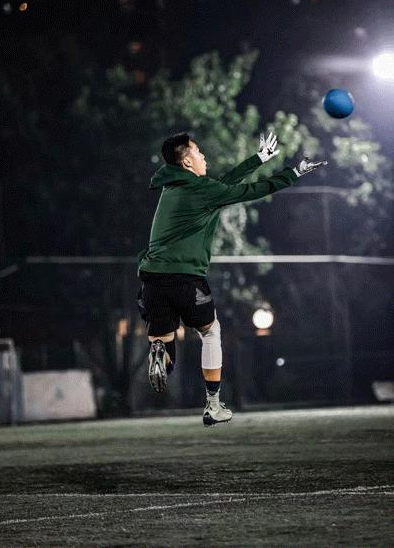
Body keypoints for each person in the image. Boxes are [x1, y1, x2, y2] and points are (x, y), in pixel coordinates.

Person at [136, 132, 327, 425]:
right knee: (210, 331)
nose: (203, 156)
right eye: (198, 152)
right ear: (187, 162)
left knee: (166, 355)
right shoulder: (202, 190)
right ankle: (213, 405)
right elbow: (251, 190)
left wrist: (258, 159)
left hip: (151, 280)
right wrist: (294, 173)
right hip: (186, 278)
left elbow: (223, 184)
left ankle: (159, 351)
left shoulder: (172, 186)